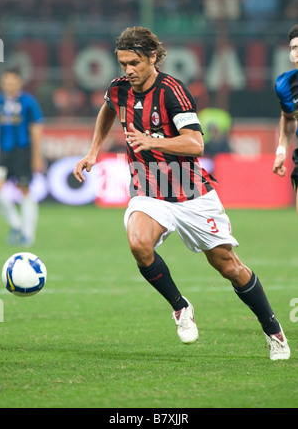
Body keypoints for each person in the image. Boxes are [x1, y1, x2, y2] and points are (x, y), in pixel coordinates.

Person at [74, 26, 290, 360]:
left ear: (152, 57)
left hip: (191, 191)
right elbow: (108, 109)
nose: (128, 70)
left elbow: (195, 142)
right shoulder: (119, 89)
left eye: (134, 63)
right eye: (122, 64)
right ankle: (180, 307)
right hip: (148, 188)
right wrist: (93, 151)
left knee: (229, 267)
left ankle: (273, 330)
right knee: (138, 243)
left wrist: (153, 141)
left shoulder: (172, 91)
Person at [0, 69, 44, 246]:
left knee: (25, 190)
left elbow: (36, 128)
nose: (9, 85)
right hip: (4, 152)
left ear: (19, 83)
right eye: (6, 81)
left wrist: (36, 156)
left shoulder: (28, 101)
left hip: (23, 151)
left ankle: (28, 233)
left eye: (12, 81)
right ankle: (16, 224)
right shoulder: (0, 101)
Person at [273, 24, 298, 215]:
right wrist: (281, 150)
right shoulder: (285, 84)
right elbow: (288, 119)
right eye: (294, 48)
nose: (296, 52)